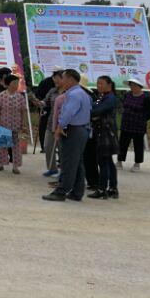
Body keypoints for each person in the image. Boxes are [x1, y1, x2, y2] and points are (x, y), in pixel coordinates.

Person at [43, 69, 92, 202]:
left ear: (70, 79)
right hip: (80, 130)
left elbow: (68, 113)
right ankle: (77, 192)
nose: (60, 81)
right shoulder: (81, 93)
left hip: (73, 130)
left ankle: (61, 192)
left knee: (68, 163)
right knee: (77, 162)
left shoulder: (74, 94)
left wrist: (59, 128)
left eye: (63, 78)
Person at [89, 76, 119, 199]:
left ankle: (102, 189)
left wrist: (92, 111)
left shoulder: (110, 98)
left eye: (101, 83)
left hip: (106, 133)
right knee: (108, 162)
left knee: (103, 161)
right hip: (104, 132)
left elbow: (97, 111)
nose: (98, 86)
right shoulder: (103, 97)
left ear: (109, 85)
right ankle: (112, 188)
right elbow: (95, 107)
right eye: (97, 83)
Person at [119, 77, 150, 172]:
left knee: (138, 145)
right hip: (126, 124)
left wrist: (142, 119)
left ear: (139, 86)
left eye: (134, 85)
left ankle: (137, 163)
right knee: (122, 144)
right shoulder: (127, 95)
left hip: (138, 126)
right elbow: (124, 106)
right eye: (131, 85)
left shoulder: (145, 98)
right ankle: (119, 161)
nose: (132, 87)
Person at [0, 74, 27, 174]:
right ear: (8, 84)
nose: (16, 85)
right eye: (14, 83)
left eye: (17, 83)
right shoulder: (1, 96)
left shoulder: (20, 97)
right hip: (3, 125)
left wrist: (23, 124)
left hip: (17, 125)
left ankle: (15, 166)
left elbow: (23, 111)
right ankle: (1, 163)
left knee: (16, 146)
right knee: (2, 145)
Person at [42, 69, 66, 177]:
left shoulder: (69, 92)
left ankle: (64, 172)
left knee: (62, 150)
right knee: (48, 146)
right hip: (51, 123)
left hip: (64, 125)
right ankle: (52, 169)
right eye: (54, 78)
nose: (55, 80)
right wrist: (39, 103)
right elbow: (45, 102)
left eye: (57, 78)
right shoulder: (52, 91)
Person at [31, 66, 61, 153]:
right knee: (44, 126)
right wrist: (39, 102)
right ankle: (44, 146)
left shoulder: (62, 84)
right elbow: (39, 94)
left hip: (57, 109)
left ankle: (56, 146)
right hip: (46, 108)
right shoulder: (45, 82)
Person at [79, 74, 100, 191]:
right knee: (88, 157)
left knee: (89, 157)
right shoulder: (89, 96)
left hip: (88, 130)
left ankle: (93, 182)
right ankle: (92, 181)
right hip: (88, 130)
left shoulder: (87, 97)